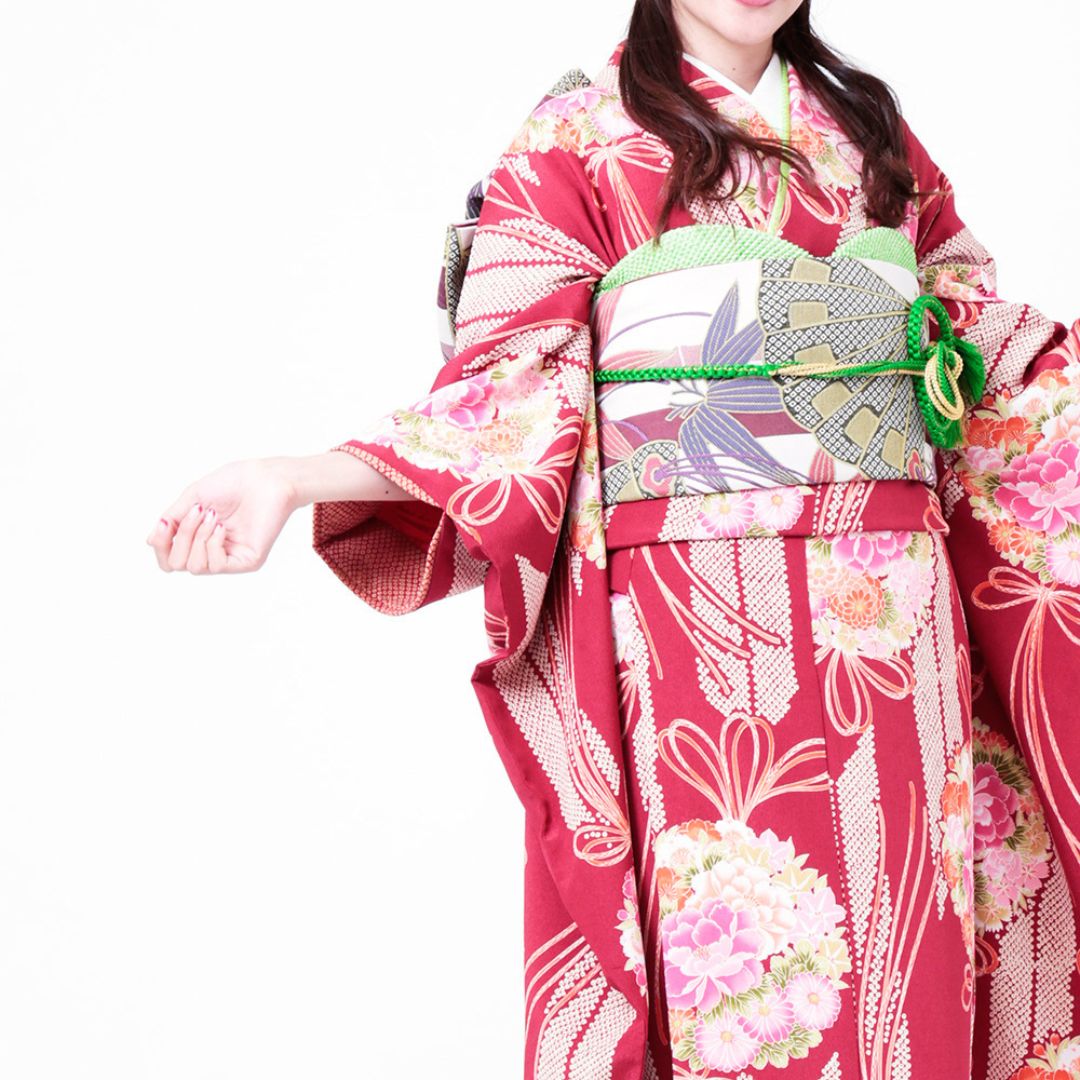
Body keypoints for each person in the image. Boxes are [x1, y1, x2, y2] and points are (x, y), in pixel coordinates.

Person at [145, 1, 1080, 1077]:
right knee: (749, 959)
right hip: (702, 624)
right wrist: (293, 475)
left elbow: (974, 352)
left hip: (897, 618)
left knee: (910, 932)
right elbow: (509, 391)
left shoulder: (868, 128)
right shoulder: (575, 134)